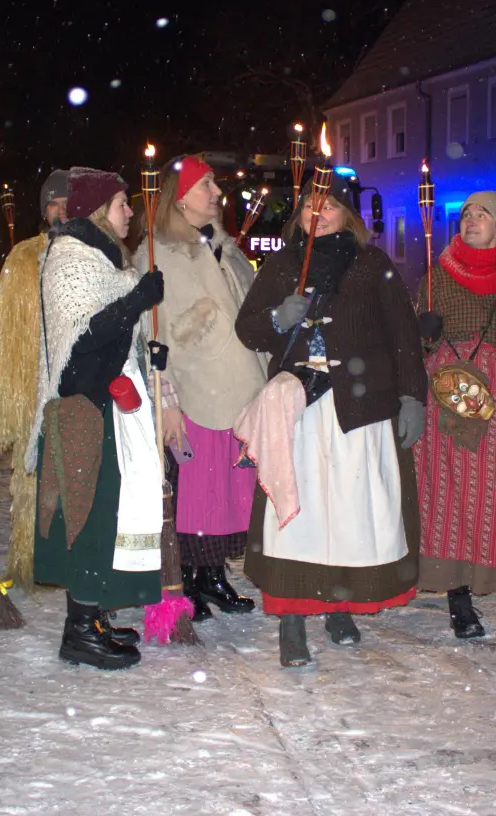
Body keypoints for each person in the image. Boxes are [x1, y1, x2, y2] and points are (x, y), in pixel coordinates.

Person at [234, 170, 426, 667]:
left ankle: (340, 604)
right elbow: (248, 327)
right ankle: (293, 621)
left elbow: (402, 335)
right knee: (300, 517)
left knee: (348, 514)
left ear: (349, 215)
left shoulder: (371, 264)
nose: (317, 217)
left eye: (329, 207)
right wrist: (279, 318)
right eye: (308, 208)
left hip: (359, 409)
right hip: (300, 410)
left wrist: (412, 398)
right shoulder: (282, 265)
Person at [29, 167, 163, 669]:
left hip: (109, 405)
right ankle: (79, 631)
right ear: (98, 209)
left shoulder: (109, 261)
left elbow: (115, 334)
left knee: (107, 511)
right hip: (82, 410)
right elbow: (82, 342)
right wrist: (136, 301)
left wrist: (147, 345)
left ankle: (95, 615)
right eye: (123, 203)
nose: (131, 212)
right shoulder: (69, 260)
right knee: (85, 515)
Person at [135, 154, 264, 621]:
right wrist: (167, 404)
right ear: (181, 196)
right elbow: (154, 337)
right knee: (197, 495)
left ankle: (212, 578)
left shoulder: (227, 250)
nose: (216, 192)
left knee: (228, 492)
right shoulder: (157, 253)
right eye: (206, 184)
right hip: (195, 394)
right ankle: (189, 578)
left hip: (238, 390)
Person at [414, 191, 496, 638]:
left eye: (482, 215)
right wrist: (424, 331)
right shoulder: (438, 272)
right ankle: (459, 596)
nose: (471, 221)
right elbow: (416, 335)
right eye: (467, 214)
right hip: (448, 389)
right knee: (451, 493)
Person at [0, 169, 67, 592]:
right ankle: (33, 560)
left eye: (69, 202)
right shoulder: (23, 257)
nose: (62, 210)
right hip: (34, 386)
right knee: (34, 480)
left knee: (75, 477)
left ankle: (73, 561)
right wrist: (12, 397)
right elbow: (3, 334)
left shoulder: (93, 254)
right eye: (54, 203)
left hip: (77, 386)